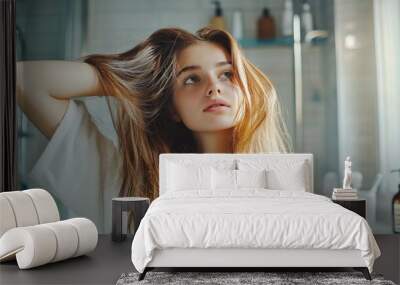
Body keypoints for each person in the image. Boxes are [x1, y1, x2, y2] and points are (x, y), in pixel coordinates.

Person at [16, 27, 292, 233]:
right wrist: (136, 79)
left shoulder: (281, 184)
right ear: (172, 108)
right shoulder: (126, 186)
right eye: (191, 79)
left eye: (227, 74)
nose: (214, 87)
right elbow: (24, 80)